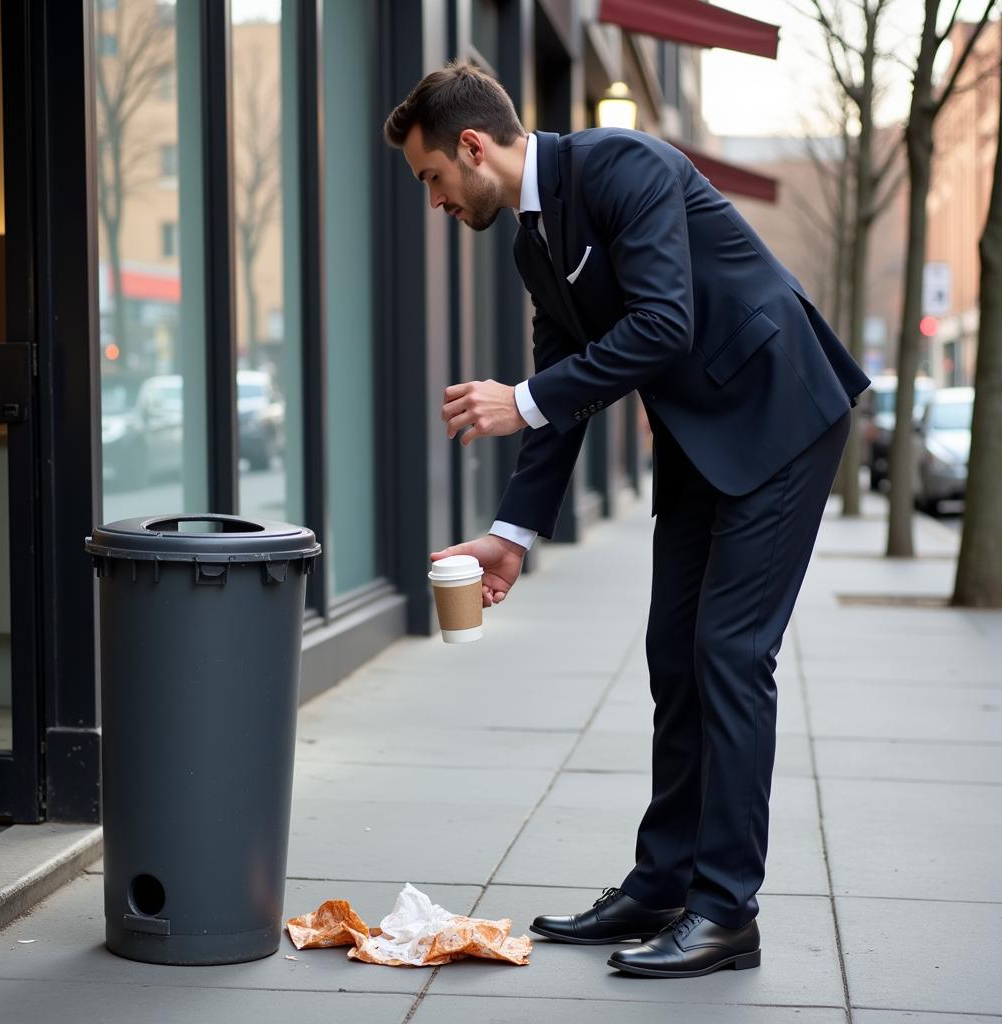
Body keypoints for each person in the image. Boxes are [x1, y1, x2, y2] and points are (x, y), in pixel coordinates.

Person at [383, 61, 869, 980]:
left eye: (432, 178)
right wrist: (511, 535)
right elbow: (566, 396)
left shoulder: (625, 166)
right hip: (699, 438)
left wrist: (520, 398)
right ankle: (662, 884)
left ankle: (727, 914)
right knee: (672, 653)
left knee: (729, 653)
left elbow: (663, 325)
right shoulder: (533, 244)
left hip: (780, 411)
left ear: (473, 146)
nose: (435, 199)